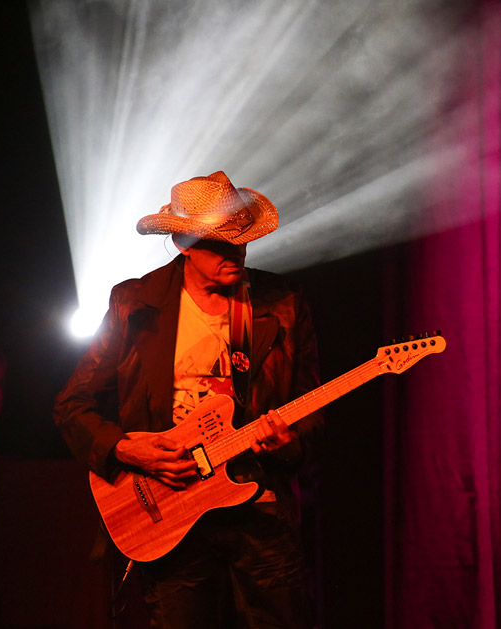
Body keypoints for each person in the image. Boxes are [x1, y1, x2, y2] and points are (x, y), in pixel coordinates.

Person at [53, 171, 323, 628]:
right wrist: (124, 448)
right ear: (181, 243)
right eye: (217, 244)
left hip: (261, 511)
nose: (233, 253)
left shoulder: (281, 303)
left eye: (240, 240)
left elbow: (310, 408)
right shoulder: (135, 303)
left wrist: (289, 442)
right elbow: (72, 406)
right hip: (172, 512)